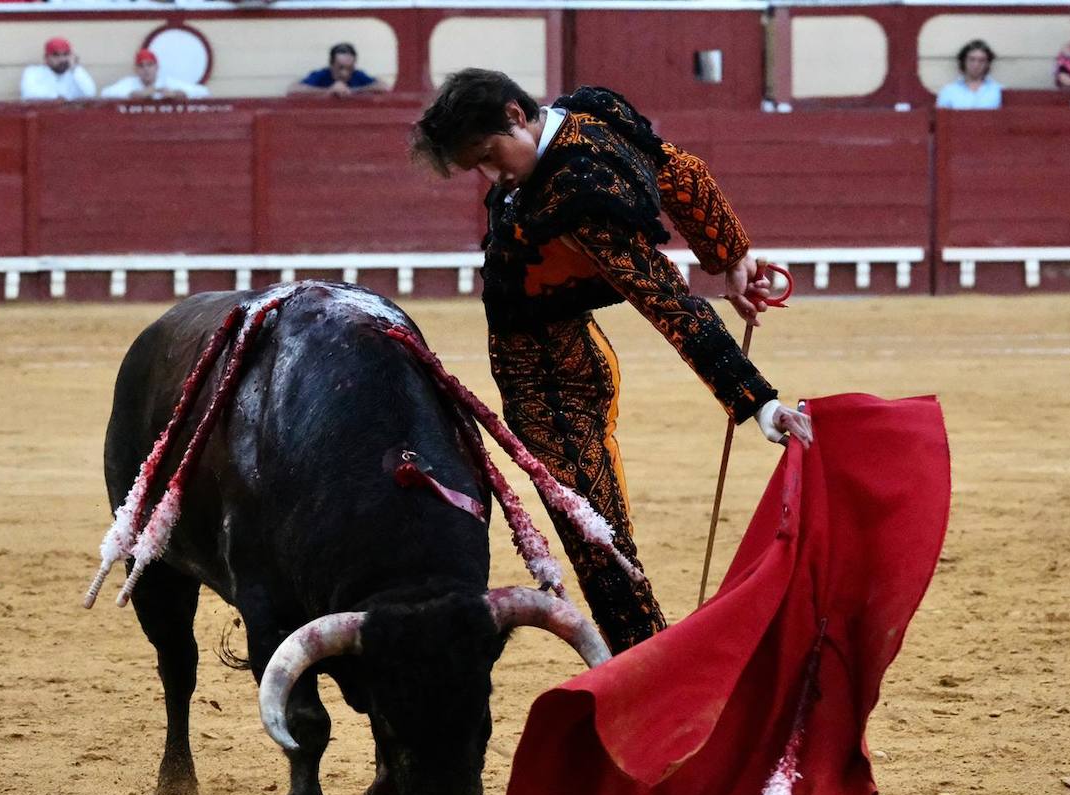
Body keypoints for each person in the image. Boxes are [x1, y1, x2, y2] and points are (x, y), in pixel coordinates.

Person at [411, 70, 812, 652]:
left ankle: (646, 657)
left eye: (489, 156)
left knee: (592, 534)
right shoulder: (589, 117)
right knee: (595, 527)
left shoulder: (577, 196)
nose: (490, 177)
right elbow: (677, 171)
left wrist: (757, 401)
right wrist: (730, 255)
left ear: (516, 116)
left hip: (551, 382)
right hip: (567, 350)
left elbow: (665, 300)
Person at [101, 49, 210, 101]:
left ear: (157, 67)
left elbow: (204, 92)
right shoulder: (130, 83)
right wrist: (135, 94)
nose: (146, 69)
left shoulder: (167, 82)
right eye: (141, 66)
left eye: (149, 65)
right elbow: (104, 94)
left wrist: (176, 94)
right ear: (136, 70)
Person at [287, 42, 387, 97]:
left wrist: (352, 91)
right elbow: (293, 89)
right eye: (340, 68)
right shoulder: (322, 75)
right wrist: (328, 91)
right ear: (331, 64)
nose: (344, 73)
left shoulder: (357, 74)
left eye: (349, 68)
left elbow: (383, 86)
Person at [20, 36, 96, 101]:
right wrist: (57, 98)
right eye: (56, 55)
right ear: (46, 58)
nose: (62, 59)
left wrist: (75, 68)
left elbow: (91, 93)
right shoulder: (33, 72)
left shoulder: (76, 73)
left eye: (65, 54)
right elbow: (28, 94)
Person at [936, 39, 1003, 109]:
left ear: (987, 64)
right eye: (972, 59)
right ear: (963, 62)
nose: (976, 64)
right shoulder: (948, 91)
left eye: (981, 60)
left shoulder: (998, 91)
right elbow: (941, 117)